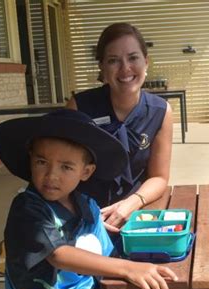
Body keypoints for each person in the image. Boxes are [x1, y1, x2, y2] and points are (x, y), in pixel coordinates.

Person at [0, 109, 178, 289]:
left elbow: (108, 253)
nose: (51, 176)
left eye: (66, 167)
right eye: (42, 162)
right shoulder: (28, 209)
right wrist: (128, 269)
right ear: (31, 161)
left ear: (86, 172)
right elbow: (58, 255)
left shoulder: (87, 205)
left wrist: (138, 262)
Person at [66, 22, 173, 233]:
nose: (125, 69)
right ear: (102, 68)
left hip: (134, 213)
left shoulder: (161, 112)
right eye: (113, 60)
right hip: (82, 214)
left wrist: (130, 204)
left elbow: (159, 177)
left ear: (146, 62)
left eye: (133, 58)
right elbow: (62, 167)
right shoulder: (80, 106)